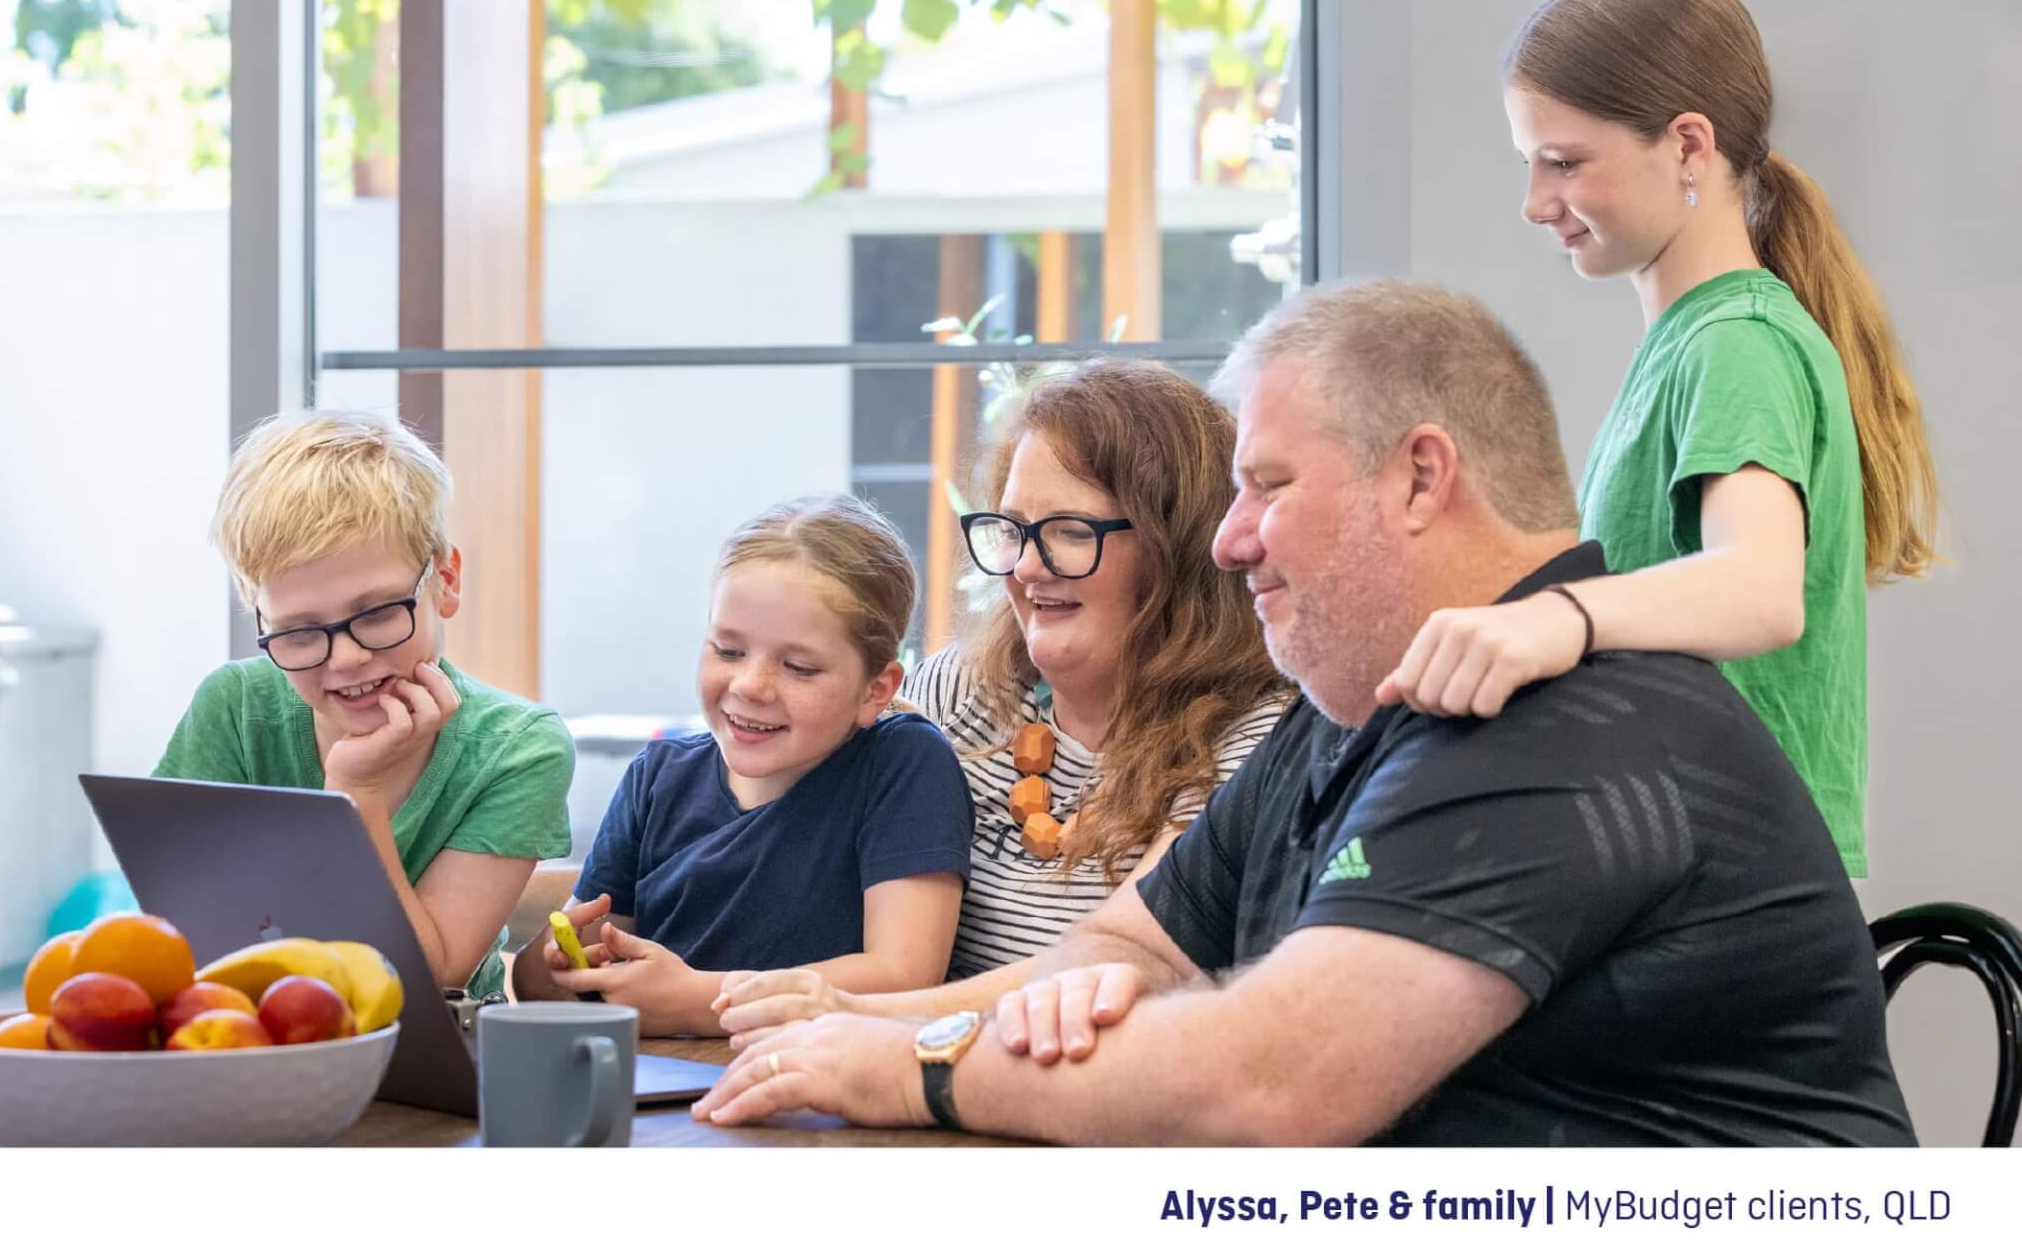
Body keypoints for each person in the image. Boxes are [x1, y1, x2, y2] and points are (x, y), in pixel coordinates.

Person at [692, 281, 1914, 1146]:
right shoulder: (1347, 714)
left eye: (1266, 487)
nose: (1227, 542)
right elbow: (1131, 951)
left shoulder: (1567, 723)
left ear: (1420, 477)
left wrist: (919, 1066)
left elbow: (1272, 1085)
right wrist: (873, 1021)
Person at [1377, 0, 1940, 878]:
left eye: (1564, 162)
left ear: (1687, 146)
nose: (1535, 204)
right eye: (1530, 163)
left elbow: (1759, 591)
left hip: (1734, 879)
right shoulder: (1693, 345)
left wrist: (1560, 617)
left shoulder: (1738, 344)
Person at [713, 361, 1293, 1039]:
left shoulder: (1256, 740)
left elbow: (1128, 962)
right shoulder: (956, 692)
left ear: (1179, 547)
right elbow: (775, 836)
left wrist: (846, 1015)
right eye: (1014, 530)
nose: (1027, 567)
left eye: (1071, 531)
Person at [509, 495, 972, 1035]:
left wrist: (701, 1000)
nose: (750, 686)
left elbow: (904, 977)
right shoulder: (657, 777)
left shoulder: (903, 764)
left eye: (798, 667)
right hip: (653, 1078)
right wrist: (551, 968)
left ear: (876, 690)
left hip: (812, 1076)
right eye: (728, 651)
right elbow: (557, 973)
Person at [155, 411, 572, 998]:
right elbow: (181, 928)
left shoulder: (518, 749)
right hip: (241, 1032)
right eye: (299, 632)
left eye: (376, 614)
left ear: (446, 580)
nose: (347, 659)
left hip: (433, 1047)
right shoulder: (235, 708)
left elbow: (424, 980)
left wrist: (356, 790)